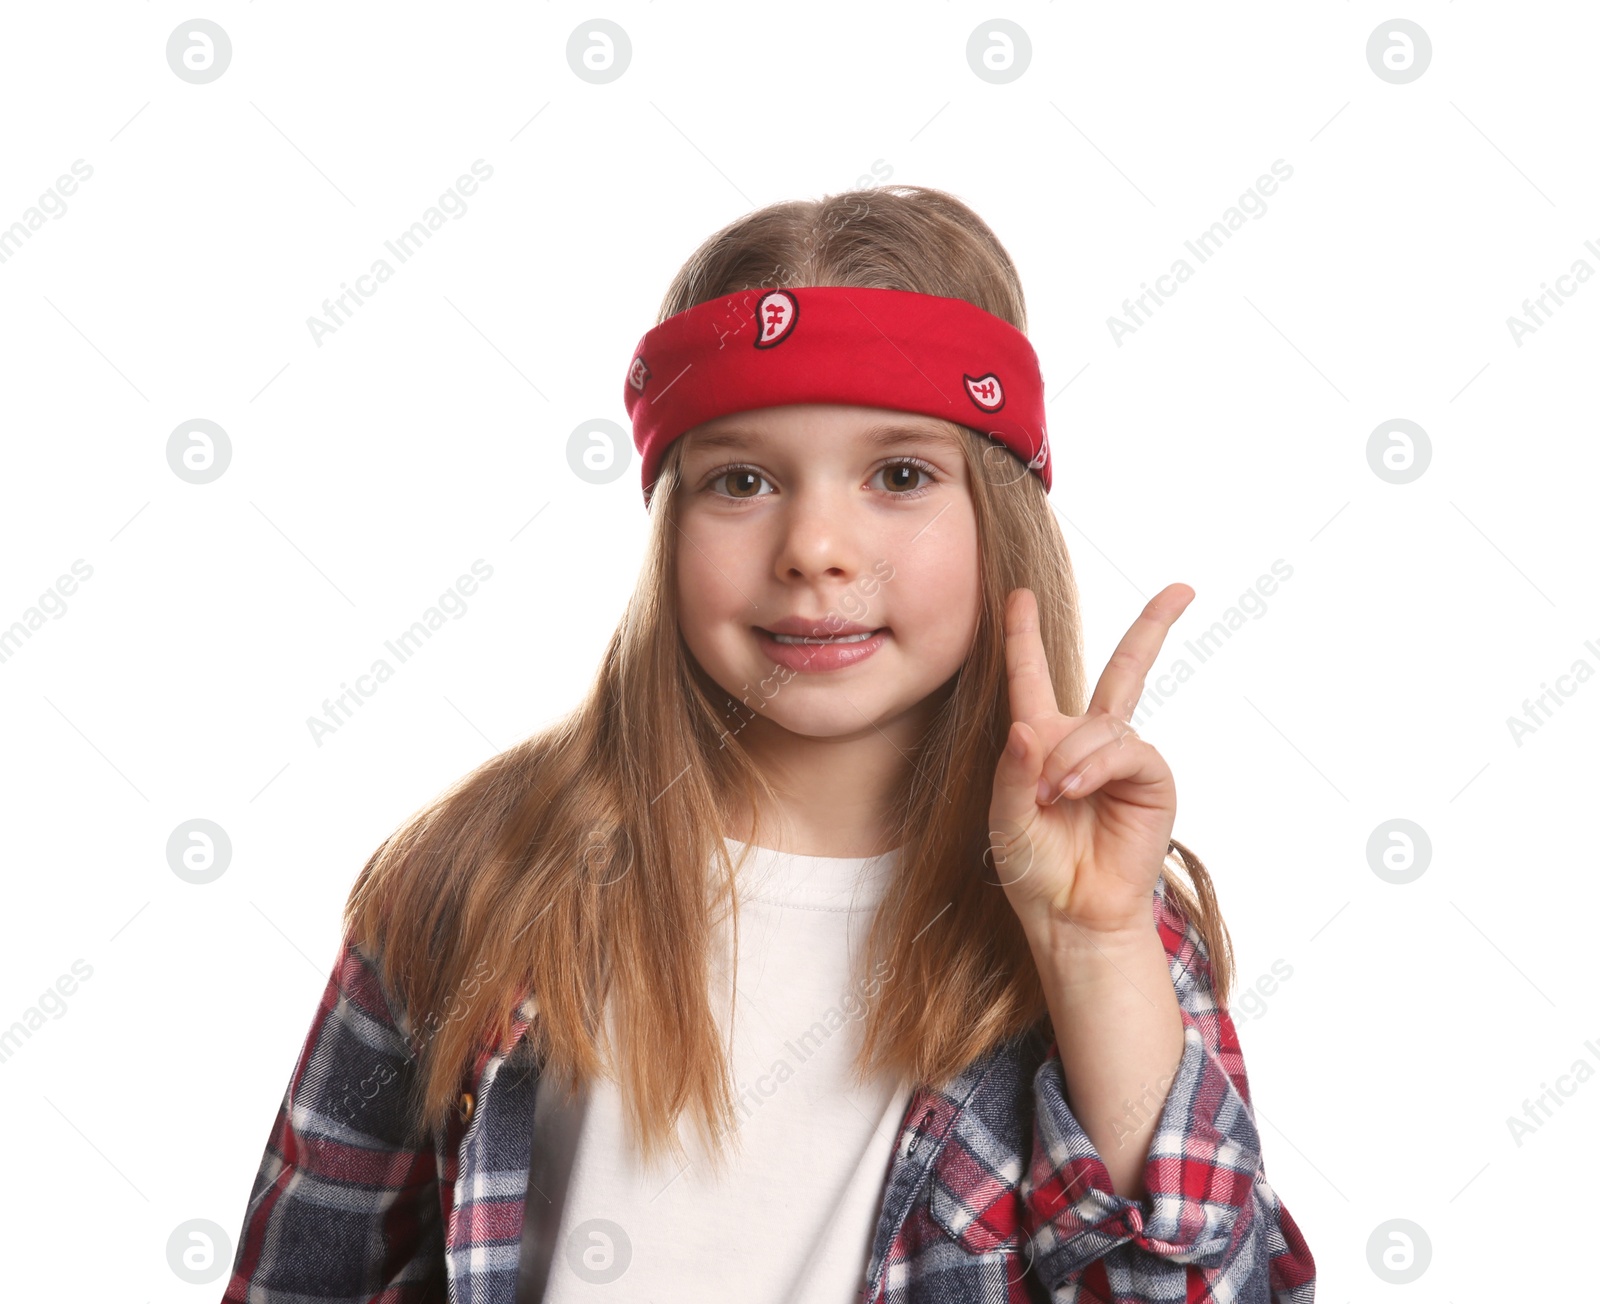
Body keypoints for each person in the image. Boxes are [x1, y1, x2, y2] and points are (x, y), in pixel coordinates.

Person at [221, 185, 1316, 1303]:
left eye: (899, 475)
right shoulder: (476, 877)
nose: (816, 548)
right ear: (667, 522)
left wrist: (1091, 954)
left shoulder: (1104, 924)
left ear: (1002, 517)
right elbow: (299, 1275)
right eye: (741, 480)